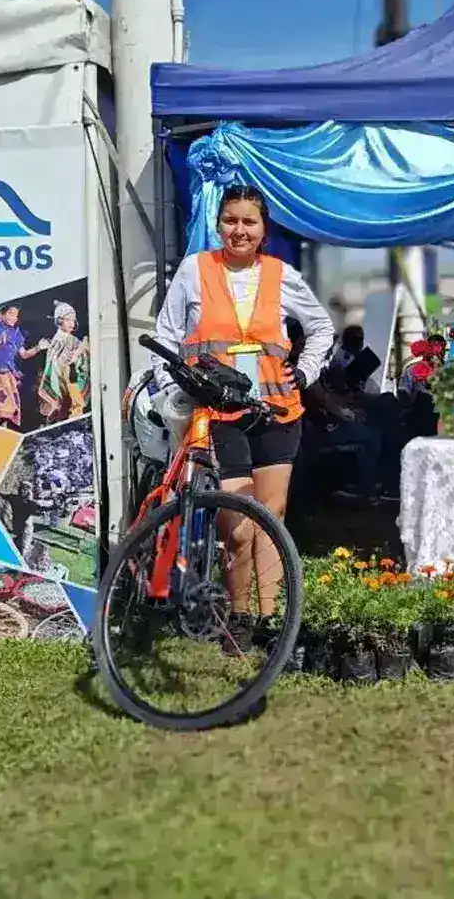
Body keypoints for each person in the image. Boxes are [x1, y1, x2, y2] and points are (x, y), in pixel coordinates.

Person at [152, 184, 334, 653]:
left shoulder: (282, 275)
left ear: (263, 229)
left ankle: (271, 621)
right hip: (219, 413)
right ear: (219, 226)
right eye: (230, 220)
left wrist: (307, 371)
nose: (239, 229)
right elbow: (167, 334)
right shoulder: (196, 270)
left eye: (248, 222)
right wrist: (172, 389)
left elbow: (320, 327)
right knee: (237, 524)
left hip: (276, 410)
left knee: (272, 516)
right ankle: (239, 614)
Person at [0, 305, 49, 429]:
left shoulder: (16, 334)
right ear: (1, 315)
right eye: (11, 314)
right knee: (2, 406)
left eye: (16, 315)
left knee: (12, 406)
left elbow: (24, 354)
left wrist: (39, 347)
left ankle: (4, 429)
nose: (14, 318)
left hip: (9, 374)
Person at [37, 302, 91, 424]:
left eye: (73, 320)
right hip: (66, 379)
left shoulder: (72, 339)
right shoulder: (61, 339)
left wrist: (80, 352)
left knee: (72, 406)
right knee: (69, 407)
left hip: (71, 378)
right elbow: (56, 362)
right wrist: (79, 352)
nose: (72, 324)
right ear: (59, 321)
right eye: (68, 320)